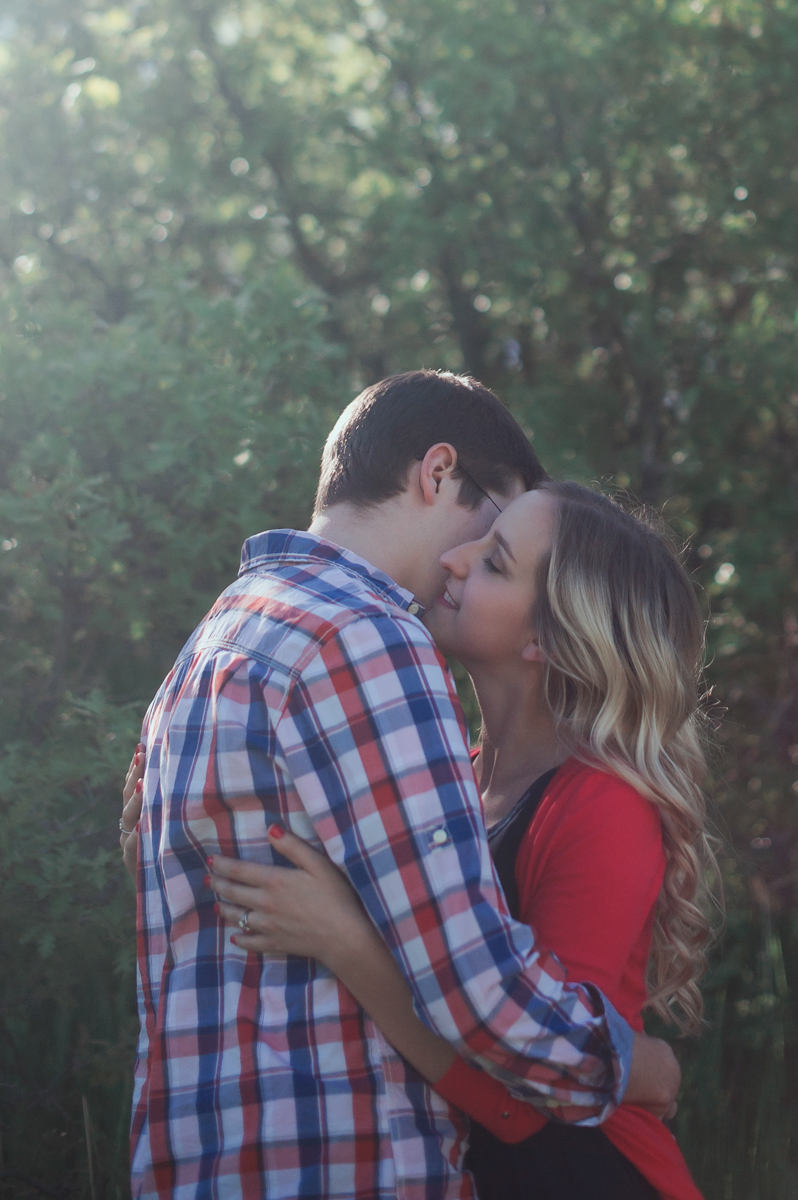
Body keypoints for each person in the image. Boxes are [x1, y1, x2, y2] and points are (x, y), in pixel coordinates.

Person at [120, 372, 679, 1200]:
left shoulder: (212, 643)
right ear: (437, 473)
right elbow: (475, 986)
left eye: (494, 559)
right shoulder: (368, 638)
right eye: (488, 531)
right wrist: (639, 1067)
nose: (458, 563)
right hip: (343, 1159)